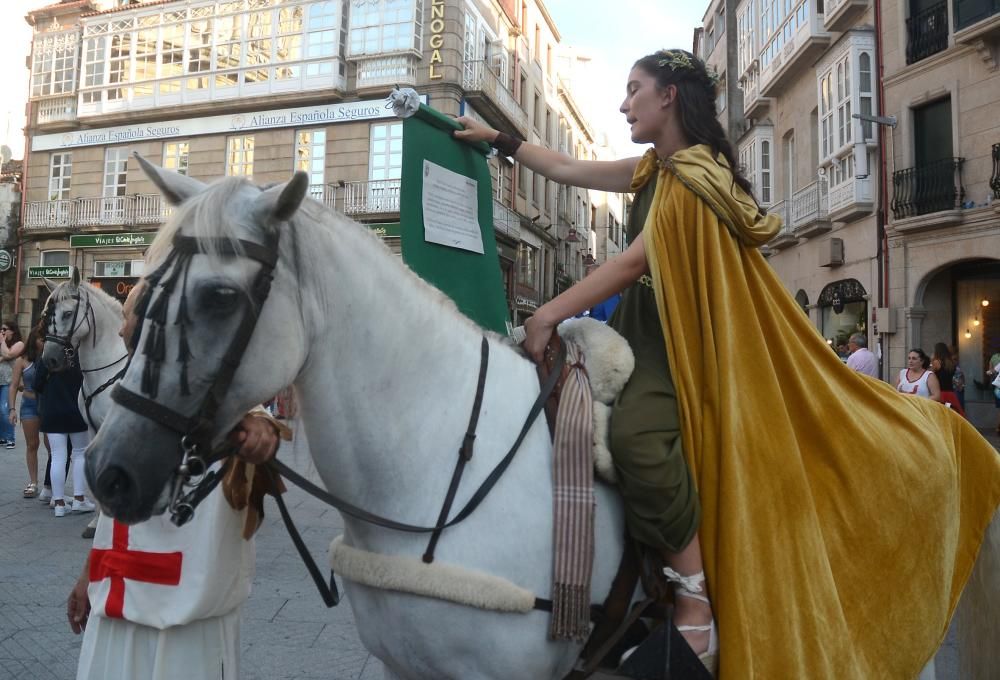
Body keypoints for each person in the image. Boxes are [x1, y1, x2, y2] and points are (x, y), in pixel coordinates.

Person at [455, 48, 1000, 678]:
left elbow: (633, 262)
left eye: (634, 89)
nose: (622, 102)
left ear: (670, 98)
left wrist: (547, 313)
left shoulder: (693, 176)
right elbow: (569, 165)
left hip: (675, 344)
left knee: (636, 439)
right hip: (638, 330)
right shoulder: (654, 171)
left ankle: (694, 601)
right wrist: (497, 139)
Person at [66, 280, 290, 680]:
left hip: (184, 610)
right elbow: (112, 507)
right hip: (115, 601)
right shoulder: (124, 395)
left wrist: (261, 430)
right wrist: (87, 576)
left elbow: (256, 421)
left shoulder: (214, 389)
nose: (120, 329)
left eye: (127, 315)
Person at [35, 346, 94, 517]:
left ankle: (59, 502)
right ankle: (79, 498)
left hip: (52, 408)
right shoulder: (82, 353)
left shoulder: (50, 352)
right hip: (77, 408)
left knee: (57, 456)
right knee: (80, 453)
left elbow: (37, 383)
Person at [8, 326, 45, 498]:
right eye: (41, 339)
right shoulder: (22, 360)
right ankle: (33, 482)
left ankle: (51, 485)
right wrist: (12, 409)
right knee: (32, 445)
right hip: (29, 404)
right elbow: (14, 385)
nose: (44, 342)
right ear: (33, 340)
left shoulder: (50, 359)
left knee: (52, 445)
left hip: (47, 404)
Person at [0, 320, 25, 448]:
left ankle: (10, 438)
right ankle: (2, 437)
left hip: (8, 382)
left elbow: (9, 354)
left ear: (12, 331)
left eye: (5, 329)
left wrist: (2, 341)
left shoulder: (19, 344)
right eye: (1, 330)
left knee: (5, 410)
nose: (2, 332)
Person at [931, 342, 965, 416]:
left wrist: (932, 359)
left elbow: (930, 375)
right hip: (950, 394)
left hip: (940, 394)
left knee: (939, 415)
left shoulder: (936, 362)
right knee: (948, 414)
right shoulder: (951, 363)